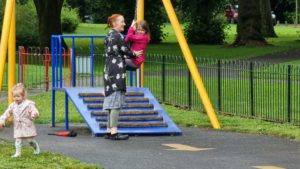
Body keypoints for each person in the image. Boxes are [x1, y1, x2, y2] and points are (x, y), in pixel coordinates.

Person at [103, 14, 143, 140]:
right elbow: (125, 48)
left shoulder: (109, 35)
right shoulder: (117, 36)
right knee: (115, 102)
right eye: (122, 22)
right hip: (117, 72)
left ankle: (109, 130)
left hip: (109, 69)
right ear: (114, 24)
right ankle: (114, 132)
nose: (124, 24)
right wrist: (135, 54)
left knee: (110, 101)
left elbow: (117, 50)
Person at [0, 83, 40, 157]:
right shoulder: (12, 105)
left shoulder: (29, 104)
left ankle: (36, 147)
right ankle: (18, 153)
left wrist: (35, 114)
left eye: (18, 96)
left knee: (30, 140)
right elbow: (7, 113)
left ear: (23, 96)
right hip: (18, 126)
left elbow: (34, 110)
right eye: (14, 96)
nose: (16, 98)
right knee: (18, 140)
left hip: (27, 125)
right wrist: (2, 120)